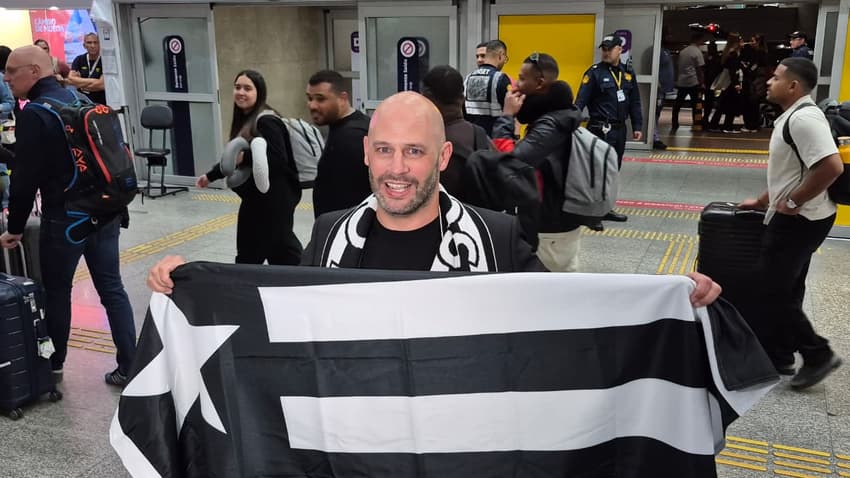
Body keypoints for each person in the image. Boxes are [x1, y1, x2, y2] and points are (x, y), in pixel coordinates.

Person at [148, 92, 722, 309]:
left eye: (416, 153)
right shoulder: (328, 235)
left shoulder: (495, 237)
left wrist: (670, 298)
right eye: (386, 152)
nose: (398, 170)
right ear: (367, 156)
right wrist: (190, 280)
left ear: (444, 159)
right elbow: (281, 307)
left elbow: (568, 307)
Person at [0, 45, 136, 387]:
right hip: (105, 210)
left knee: (56, 291)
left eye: (12, 71)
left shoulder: (35, 113)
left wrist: (14, 228)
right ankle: (130, 364)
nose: (6, 77)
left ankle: (55, 365)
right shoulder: (81, 101)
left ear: (34, 72)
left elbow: (25, 179)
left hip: (66, 219)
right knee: (112, 288)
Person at [738, 57, 843, 390]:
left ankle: (818, 354)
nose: (769, 81)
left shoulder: (804, 119)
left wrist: (793, 203)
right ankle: (779, 353)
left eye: (776, 77)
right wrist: (764, 199)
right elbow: (795, 170)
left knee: (770, 289)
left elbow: (831, 167)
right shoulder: (794, 117)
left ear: (793, 86)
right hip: (804, 216)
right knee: (787, 286)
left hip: (800, 219)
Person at [196, 70, 302, 266]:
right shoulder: (247, 119)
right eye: (237, 87)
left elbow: (278, 159)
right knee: (256, 252)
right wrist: (210, 176)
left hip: (274, 201)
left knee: (279, 252)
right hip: (256, 200)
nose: (241, 92)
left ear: (259, 92)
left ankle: (302, 282)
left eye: (247, 88)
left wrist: (246, 157)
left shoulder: (266, 120)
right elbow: (235, 158)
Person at [492, 52, 587, 270]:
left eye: (522, 79)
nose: (515, 85)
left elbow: (506, 163)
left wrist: (506, 116)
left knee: (548, 289)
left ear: (540, 83)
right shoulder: (560, 114)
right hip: (558, 223)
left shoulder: (550, 126)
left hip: (549, 230)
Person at [575, 33, 643, 224]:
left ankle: (605, 208)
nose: (605, 52)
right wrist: (571, 124)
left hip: (619, 131)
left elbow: (635, 101)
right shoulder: (594, 73)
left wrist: (637, 125)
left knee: (613, 170)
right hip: (599, 129)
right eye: (603, 49)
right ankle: (592, 212)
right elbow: (580, 101)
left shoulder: (627, 74)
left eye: (609, 49)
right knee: (597, 171)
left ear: (619, 50)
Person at [421, 64, 493, 197]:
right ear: (462, 97)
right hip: (481, 216)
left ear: (427, 97)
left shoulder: (430, 146)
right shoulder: (482, 136)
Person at [307, 70, 371, 218]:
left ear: (343, 98)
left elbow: (349, 199)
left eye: (320, 99)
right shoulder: (346, 127)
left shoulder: (351, 137)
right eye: (309, 98)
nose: (312, 105)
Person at [463, 40, 512, 135]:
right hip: (495, 136)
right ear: (500, 55)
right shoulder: (500, 78)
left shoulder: (468, 78)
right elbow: (509, 109)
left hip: (473, 136)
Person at [707, 33, 744, 133]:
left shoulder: (727, 52)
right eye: (740, 41)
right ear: (736, 42)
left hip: (725, 82)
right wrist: (736, 83)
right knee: (731, 105)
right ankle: (728, 126)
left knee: (722, 104)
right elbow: (733, 70)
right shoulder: (734, 54)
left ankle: (713, 125)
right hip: (730, 83)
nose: (743, 43)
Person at [671, 32, 705, 133]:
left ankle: (674, 122)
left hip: (682, 81)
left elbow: (678, 66)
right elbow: (700, 69)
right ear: (698, 40)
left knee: (678, 104)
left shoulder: (683, 51)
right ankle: (696, 123)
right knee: (695, 105)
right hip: (693, 82)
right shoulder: (697, 52)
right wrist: (702, 82)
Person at [67, 32, 105, 105]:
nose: (92, 45)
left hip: (101, 102)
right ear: (84, 45)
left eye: (95, 42)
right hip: (83, 103)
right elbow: (71, 79)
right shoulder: (79, 59)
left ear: (100, 44)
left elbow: (101, 84)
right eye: (89, 43)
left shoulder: (104, 60)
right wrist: (94, 82)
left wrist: (80, 84)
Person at [654, 32, 675, 150]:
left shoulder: (665, 51)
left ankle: (655, 136)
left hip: (663, 89)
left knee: (658, 112)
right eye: (668, 34)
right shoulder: (659, 51)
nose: (671, 36)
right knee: (655, 113)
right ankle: (654, 137)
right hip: (658, 88)